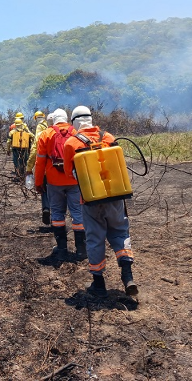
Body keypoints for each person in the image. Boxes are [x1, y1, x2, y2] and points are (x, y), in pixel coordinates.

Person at [62, 105, 138, 298]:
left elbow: (68, 173)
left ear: (75, 123)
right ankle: (128, 276)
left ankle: (98, 283)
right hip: (115, 197)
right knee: (120, 233)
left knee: (95, 239)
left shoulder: (71, 143)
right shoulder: (109, 137)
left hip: (90, 201)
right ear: (90, 118)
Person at [34, 108, 86, 261]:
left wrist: (38, 183)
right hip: (74, 180)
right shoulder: (76, 132)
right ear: (67, 119)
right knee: (77, 213)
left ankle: (62, 249)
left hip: (53, 181)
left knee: (57, 214)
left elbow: (40, 161)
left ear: (54, 119)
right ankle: (81, 250)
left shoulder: (46, 134)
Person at [26, 111, 50, 224]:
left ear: (35, 118)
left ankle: (46, 208)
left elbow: (36, 148)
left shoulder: (40, 129)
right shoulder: (51, 125)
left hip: (46, 166)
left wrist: (29, 167)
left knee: (45, 188)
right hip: (60, 166)